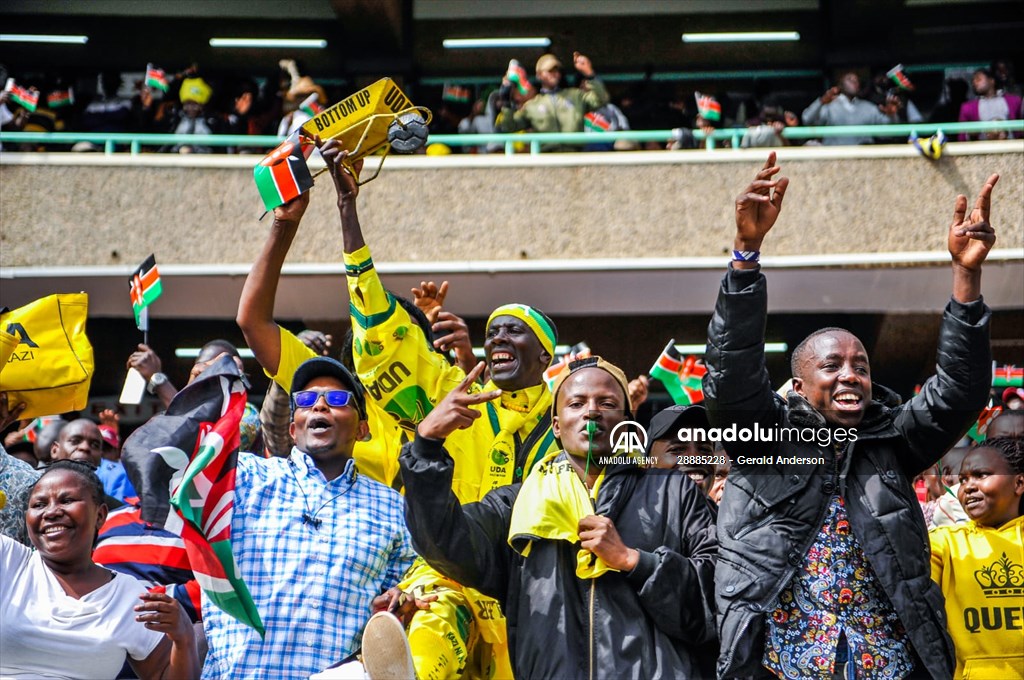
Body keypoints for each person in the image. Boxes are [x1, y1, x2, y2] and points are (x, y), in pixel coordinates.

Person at [704, 152, 996, 678]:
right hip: (781, 665)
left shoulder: (893, 438)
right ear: (796, 385)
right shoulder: (762, 435)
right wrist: (746, 255)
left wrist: (964, 277)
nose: (850, 376)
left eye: (860, 366)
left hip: (889, 663)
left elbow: (960, 391)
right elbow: (731, 378)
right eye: (832, 365)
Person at [401, 356, 718, 678]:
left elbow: (715, 598)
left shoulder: (673, 491)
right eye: (577, 403)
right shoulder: (516, 504)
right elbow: (444, 542)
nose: (591, 412)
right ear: (556, 424)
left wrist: (633, 561)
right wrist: (426, 446)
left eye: (606, 403)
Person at [200, 355, 415, 678]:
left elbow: (391, 611)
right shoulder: (242, 476)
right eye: (306, 400)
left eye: (338, 399)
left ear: (362, 429)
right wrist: (202, 394)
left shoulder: (393, 508)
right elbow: (168, 467)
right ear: (292, 429)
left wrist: (395, 604)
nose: (320, 406)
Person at [0, 461, 198, 679]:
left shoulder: (129, 597)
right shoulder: (9, 560)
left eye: (67, 500)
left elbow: (163, 675)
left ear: (101, 515)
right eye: (39, 504)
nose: (52, 512)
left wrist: (183, 637)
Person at [929, 437, 1024, 679]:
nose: (968, 486)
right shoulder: (943, 543)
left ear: (1019, 483)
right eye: (963, 480)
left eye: (981, 475)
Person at [496, 52, 610, 151]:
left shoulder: (576, 95)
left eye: (557, 71)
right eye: (550, 71)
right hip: (546, 160)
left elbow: (601, 99)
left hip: (575, 156)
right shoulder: (532, 105)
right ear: (539, 75)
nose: (555, 74)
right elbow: (509, 127)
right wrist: (506, 102)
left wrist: (590, 74)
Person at [801, 71, 900, 145]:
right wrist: (821, 102)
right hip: (833, 162)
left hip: (863, 163)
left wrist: (892, 115)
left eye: (856, 81)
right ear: (840, 85)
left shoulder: (868, 108)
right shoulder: (830, 106)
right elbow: (807, 119)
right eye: (850, 79)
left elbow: (887, 134)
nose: (854, 82)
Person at [645, 403, 717, 496]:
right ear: (647, 466)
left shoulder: (729, 510)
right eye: (677, 449)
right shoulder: (627, 509)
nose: (694, 458)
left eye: (705, 449)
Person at [958, 67, 1022, 141]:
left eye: (978, 79)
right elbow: (961, 136)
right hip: (985, 149)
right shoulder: (967, 108)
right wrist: (970, 134)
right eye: (973, 81)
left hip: (1011, 148)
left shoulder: (1014, 101)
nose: (975, 83)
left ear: (991, 81)